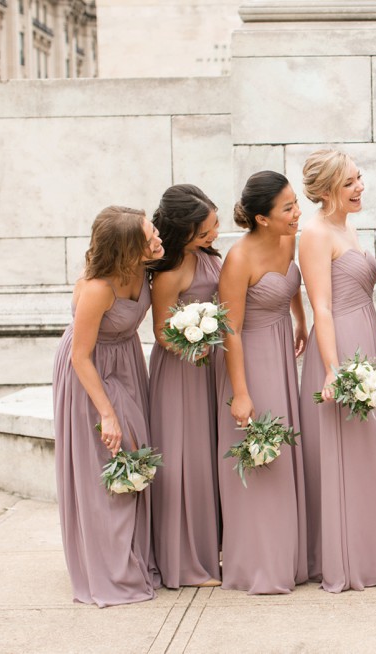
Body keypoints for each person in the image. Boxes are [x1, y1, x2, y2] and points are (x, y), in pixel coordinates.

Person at [298, 149, 376, 593]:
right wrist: (331, 368)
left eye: (359, 179)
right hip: (338, 343)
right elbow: (320, 304)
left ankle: (370, 549)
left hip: (366, 337)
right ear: (325, 191)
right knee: (344, 451)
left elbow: (363, 292)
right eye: (350, 183)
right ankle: (344, 557)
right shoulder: (315, 233)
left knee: (366, 448)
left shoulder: (351, 227)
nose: (360, 187)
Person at [52, 205, 165, 607]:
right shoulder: (98, 287)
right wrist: (106, 412)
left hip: (128, 361)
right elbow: (79, 356)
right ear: (128, 248)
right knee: (110, 460)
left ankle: (135, 556)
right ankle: (110, 567)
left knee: (137, 458)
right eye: (150, 236)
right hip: (91, 370)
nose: (158, 239)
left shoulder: (148, 269)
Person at [216, 171, 309, 594]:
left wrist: (300, 318)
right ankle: (258, 564)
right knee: (260, 456)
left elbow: (292, 283)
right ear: (262, 218)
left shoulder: (289, 239)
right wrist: (240, 393)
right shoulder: (238, 259)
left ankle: (288, 558)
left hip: (282, 356)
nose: (296, 212)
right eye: (287, 208)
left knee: (284, 455)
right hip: (250, 360)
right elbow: (229, 330)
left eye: (294, 203)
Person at [147, 184, 223, 589]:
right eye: (205, 232)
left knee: (207, 460)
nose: (213, 236)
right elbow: (161, 330)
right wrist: (194, 347)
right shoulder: (169, 270)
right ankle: (185, 562)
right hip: (181, 373)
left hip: (210, 369)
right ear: (183, 234)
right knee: (184, 462)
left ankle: (211, 552)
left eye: (214, 226)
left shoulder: (209, 256)